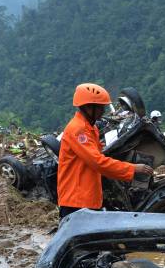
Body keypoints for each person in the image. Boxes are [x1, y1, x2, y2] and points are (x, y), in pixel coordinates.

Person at [57, 83, 153, 219]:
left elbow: (97, 154)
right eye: (100, 107)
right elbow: (97, 162)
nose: (103, 111)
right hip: (77, 200)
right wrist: (132, 169)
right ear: (89, 107)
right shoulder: (79, 130)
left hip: (87, 196)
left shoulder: (91, 128)